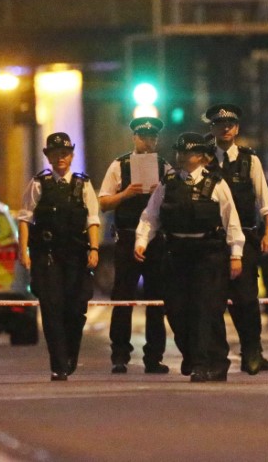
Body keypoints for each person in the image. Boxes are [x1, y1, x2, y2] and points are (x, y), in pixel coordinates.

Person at [135, 132, 245, 383]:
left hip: (208, 254)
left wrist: (236, 254)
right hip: (176, 254)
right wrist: (142, 241)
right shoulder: (169, 182)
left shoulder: (216, 183)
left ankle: (207, 363)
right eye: (180, 152)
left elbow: (232, 221)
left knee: (206, 310)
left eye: (188, 153)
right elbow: (151, 216)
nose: (182, 157)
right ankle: (193, 355)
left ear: (201, 156)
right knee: (176, 310)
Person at [205, 104, 268, 375]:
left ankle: (253, 352)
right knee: (213, 303)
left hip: (247, 238)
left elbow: (265, 202)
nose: (225, 128)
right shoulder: (203, 159)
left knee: (247, 300)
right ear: (212, 128)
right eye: (219, 124)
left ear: (237, 128)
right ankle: (218, 359)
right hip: (212, 242)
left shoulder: (250, 161)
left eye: (231, 124)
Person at [18, 132, 100, 382]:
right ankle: (58, 364)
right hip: (48, 257)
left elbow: (92, 219)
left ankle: (70, 354)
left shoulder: (83, 184)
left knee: (76, 310)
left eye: (64, 153)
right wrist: (24, 251)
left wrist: (94, 249)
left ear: (72, 156)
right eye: (55, 153)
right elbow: (25, 218)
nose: (60, 158)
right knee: (52, 310)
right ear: (48, 156)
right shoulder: (39, 183)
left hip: (76, 256)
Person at [98, 117, 170, 375]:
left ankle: (154, 356)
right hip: (127, 237)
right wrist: (126, 194)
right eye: (143, 137)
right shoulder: (120, 165)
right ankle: (119, 354)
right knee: (122, 297)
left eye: (152, 138)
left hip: (156, 241)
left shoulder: (165, 167)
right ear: (134, 138)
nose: (148, 142)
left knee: (156, 299)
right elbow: (104, 202)